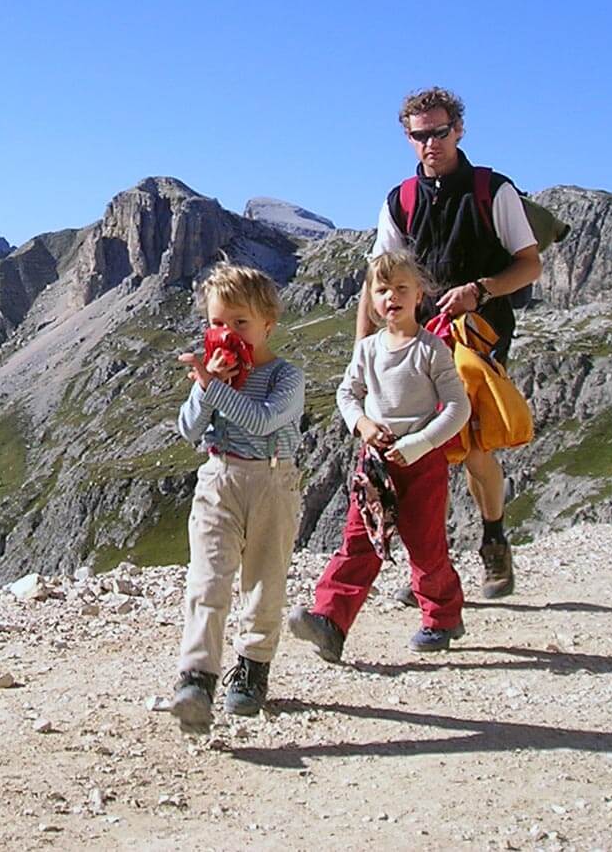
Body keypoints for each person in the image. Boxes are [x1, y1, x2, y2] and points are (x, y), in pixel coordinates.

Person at [363, 87, 541, 599]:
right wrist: (367, 350)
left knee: (473, 440)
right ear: (408, 137)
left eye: (439, 133)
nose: (430, 144)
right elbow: (378, 279)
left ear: (458, 130)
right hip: (420, 334)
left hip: (480, 333)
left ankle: (492, 542)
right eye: (420, 136)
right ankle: (433, 570)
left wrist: (480, 290)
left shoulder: (492, 190)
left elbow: (529, 262)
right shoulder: (400, 201)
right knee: (427, 448)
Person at [286, 250, 471, 657]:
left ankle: (442, 616)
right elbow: (347, 393)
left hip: (422, 462)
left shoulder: (432, 349)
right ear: (370, 298)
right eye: (382, 290)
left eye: (401, 288)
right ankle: (330, 621)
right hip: (374, 463)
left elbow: (459, 407)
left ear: (419, 294)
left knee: (425, 543)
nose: (392, 297)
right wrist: (363, 425)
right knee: (359, 539)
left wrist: (419, 443)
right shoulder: (368, 349)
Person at [167, 263, 306, 733]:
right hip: (219, 478)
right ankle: (196, 679)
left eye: (240, 324)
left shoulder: (287, 376)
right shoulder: (213, 377)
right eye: (217, 323)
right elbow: (188, 430)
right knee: (207, 580)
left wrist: (214, 388)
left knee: (264, 582)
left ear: (268, 324)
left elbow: (263, 420)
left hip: (272, 482)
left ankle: (251, 670)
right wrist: (207, 391)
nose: (227, 334)